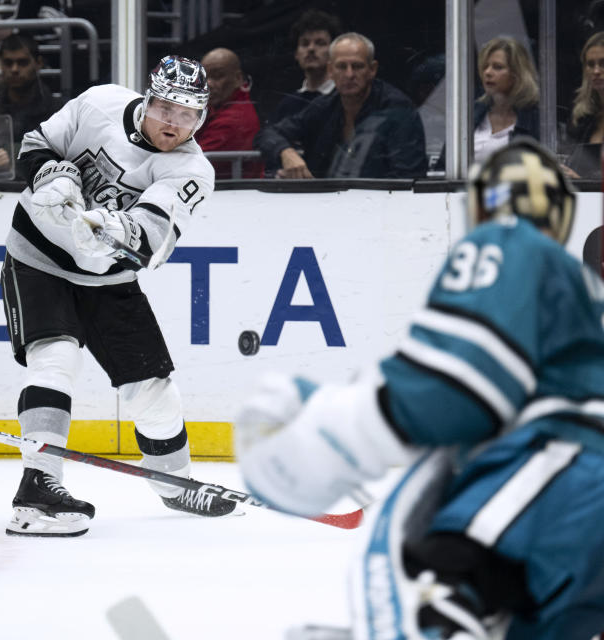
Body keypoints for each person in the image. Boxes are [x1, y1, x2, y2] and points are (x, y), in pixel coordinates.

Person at [236, 138, 604, 639]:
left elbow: (455, 388)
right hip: (579, 533)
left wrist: (330, 434)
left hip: (572, 473)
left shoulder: (507, 243)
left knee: (438, 589)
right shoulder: (582, 293)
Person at [0, 55, 236, 537]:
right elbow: (36, 143)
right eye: (166, 108)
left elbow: (148, 237)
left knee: (153, 389)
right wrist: (52, 175)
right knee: (56, 359)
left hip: (107, 280)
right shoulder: (100, 102)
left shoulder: (192, 170)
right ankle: (38, 489)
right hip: (36, 260)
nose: (174, 123)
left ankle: (175, 484)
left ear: (202, 117)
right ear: (147, 100)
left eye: (188, 113)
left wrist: (112, 230)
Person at [255, 32, 426, 179]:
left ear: (372, 69)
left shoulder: (397, 108)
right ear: (330, 71)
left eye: (357, 66)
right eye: (341, 67)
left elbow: (407, 179)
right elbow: (267, 133)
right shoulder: (326, 105)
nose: (349, 74)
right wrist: (286, 152)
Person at [434, 36, 540, 172]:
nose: (488, 73)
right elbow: (443, 168)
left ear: (517, 74)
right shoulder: (471, 113)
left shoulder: (535, 120)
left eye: (498, 67)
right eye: (485, 67)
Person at [196, 47, 263, 179]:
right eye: (203, 77)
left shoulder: (235, 119)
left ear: (238, 78)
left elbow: (193, 166)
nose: (208, 84)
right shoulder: (215, 107)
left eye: (217, 76)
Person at [271, 9, 341, 123]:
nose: (311, 49)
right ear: (296, 54)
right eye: (305, 43)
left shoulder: (345, 99)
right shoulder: (286, 105)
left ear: (334, 51)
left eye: (320, 43)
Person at [0, 33, 63, 144]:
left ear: (38, 63)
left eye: (22, 62)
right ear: (1, 65)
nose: (14, 69)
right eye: (8, 63)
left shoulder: (57, 113)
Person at [562, 31, 604, 180]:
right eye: (590, 65)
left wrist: (583, 181)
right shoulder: (583, 118)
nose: (596, 71)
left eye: (602, 63)